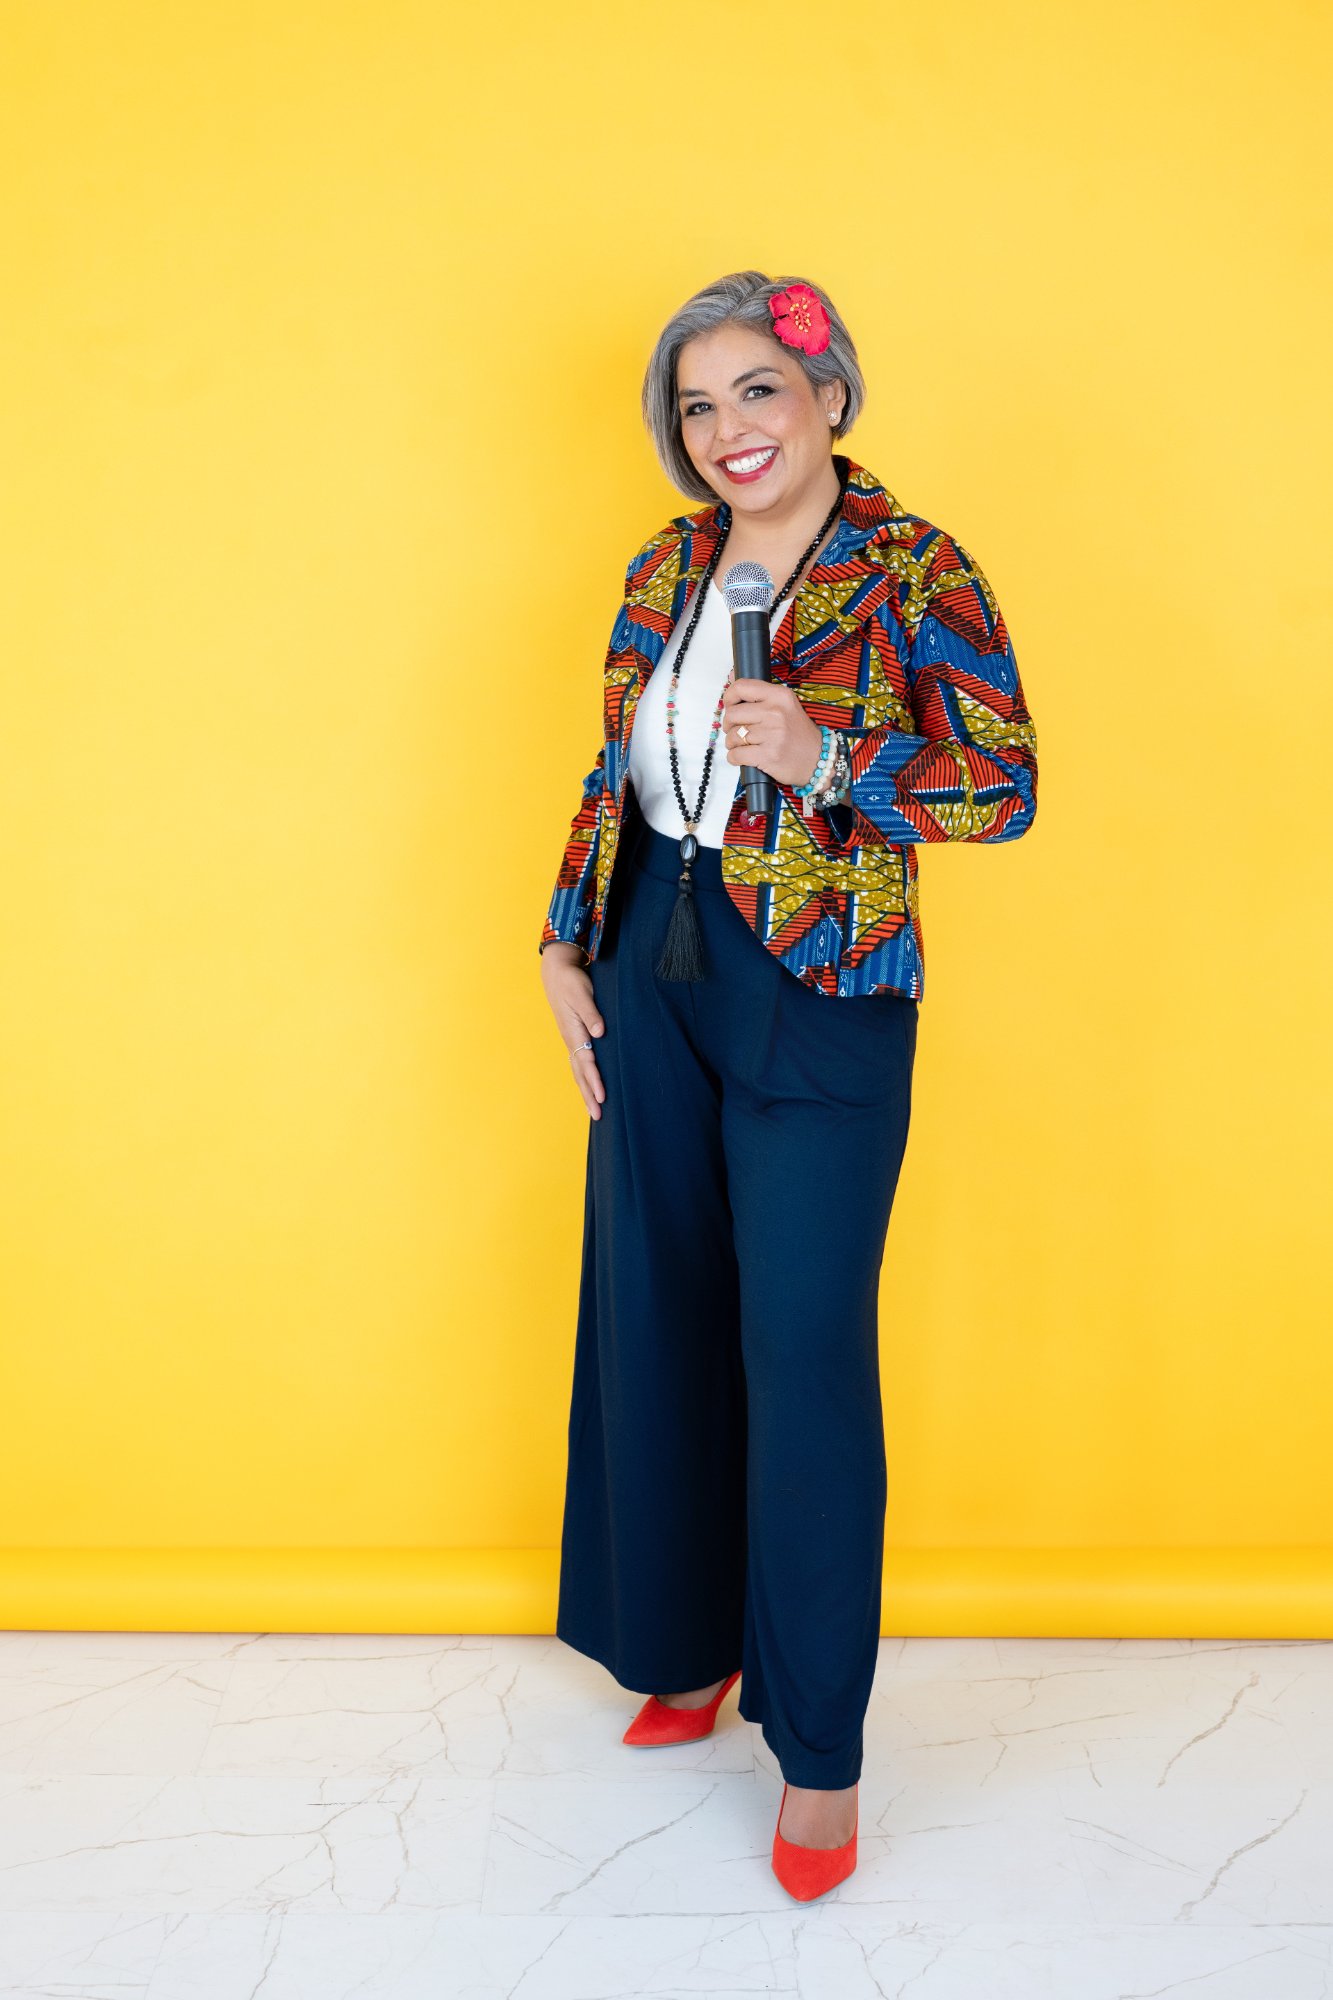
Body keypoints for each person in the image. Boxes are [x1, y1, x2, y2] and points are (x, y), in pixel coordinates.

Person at [537, 269, 1038, 1900]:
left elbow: (1001, 785)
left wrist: (823, 758)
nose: (727, 430)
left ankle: (818, 1756)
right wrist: (560, 942)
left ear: (827, 395)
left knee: (803, 1349)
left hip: (822, 991)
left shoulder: (914, 565)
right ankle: (688, 1649)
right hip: (650, 968)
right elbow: (613, 763)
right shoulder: (663, 566)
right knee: (659, 1309)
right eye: (696, 406)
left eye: (757, 390)